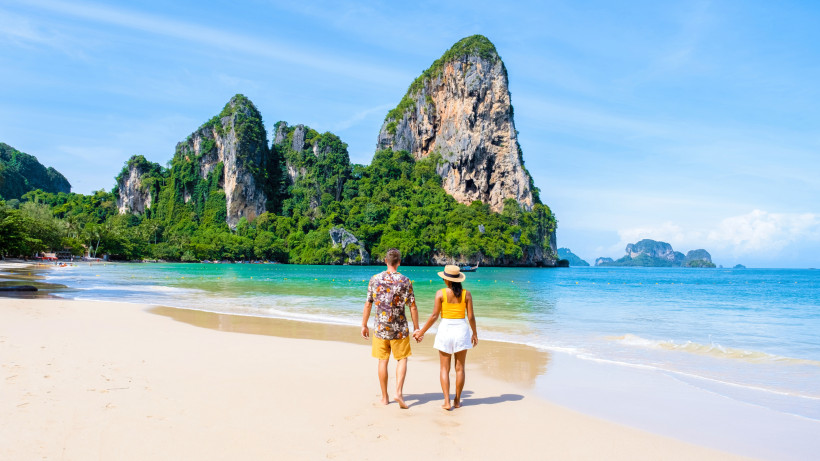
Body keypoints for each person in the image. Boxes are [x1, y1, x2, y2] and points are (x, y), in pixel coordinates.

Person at [361, 248, 420, 409]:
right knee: (402, 359)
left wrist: (364, 324)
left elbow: (368, 303)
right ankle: (399, 393)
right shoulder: (405, 281)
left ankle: (385, 397)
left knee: (383, 361)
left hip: (380, 328)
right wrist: (416, 328)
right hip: (399, 328)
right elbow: (412, 307)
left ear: (385, 261)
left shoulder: (374, 279)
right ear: (399, 262)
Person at [414, 265, 478, 410]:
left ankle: (446, 402)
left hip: (445, 330)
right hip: (462, 330)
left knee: (444, 368)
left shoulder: (440, 294)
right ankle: (457, 400)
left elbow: (434, 316)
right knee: (460, 368)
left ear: (446, 280)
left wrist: (421, 332)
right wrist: (474, 333)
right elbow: (471, 317)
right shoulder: (466, 294)